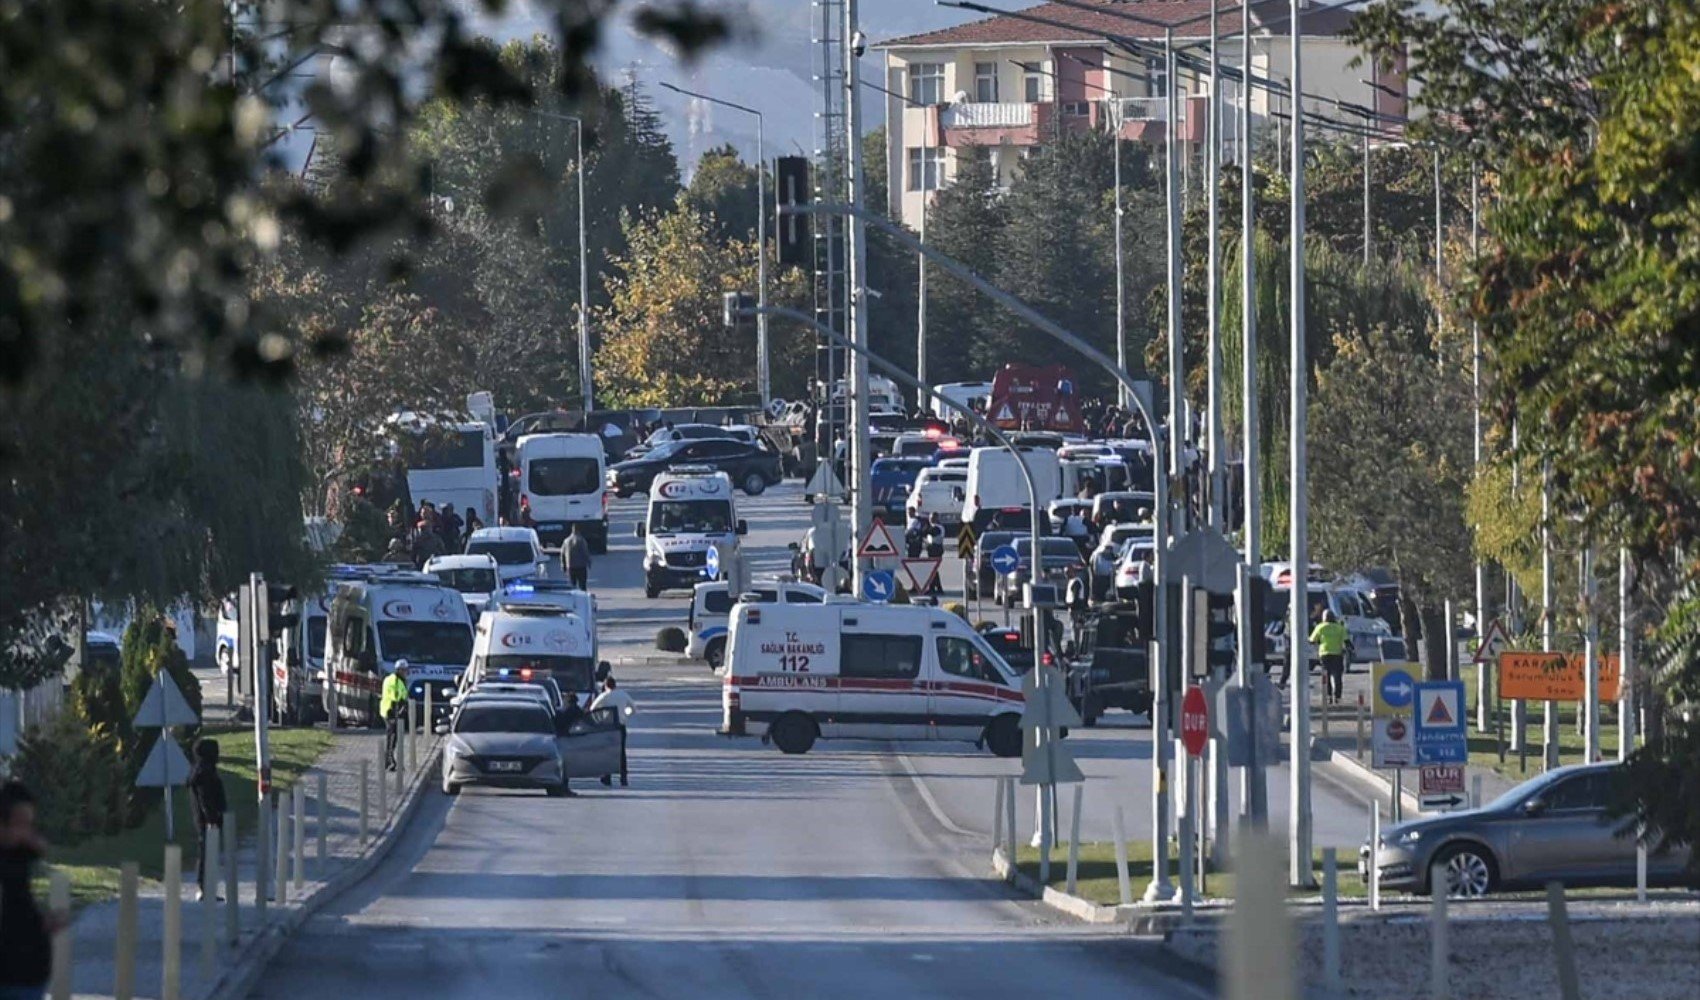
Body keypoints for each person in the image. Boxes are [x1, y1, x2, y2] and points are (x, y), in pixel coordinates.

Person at [0, 781, 59, 1000]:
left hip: (30, 974)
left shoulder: (18, 852)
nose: (26, 831)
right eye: (19, 823)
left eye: (29, 824)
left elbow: (40, 847)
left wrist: (41, 921)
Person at [187, 739, 227, 901]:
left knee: (208, 852)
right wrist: (212, 817)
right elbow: (205, 798)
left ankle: (207, 887)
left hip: (207, 819)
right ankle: (204, 888)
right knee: (207, 853)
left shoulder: (201, 771)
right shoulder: (204, 773)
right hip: (208, 820)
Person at [589, 677, 636, 787]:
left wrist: (600, 717)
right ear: (615, 685)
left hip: (608, 727)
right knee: (621, 752)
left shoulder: (605, 696)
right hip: (621, 726)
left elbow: (592, 709)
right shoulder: (623, 695)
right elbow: (633, 708)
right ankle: (623, 778)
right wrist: (625, 714)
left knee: (608, 751)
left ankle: (607, 776)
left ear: (606, 686)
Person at [1309, 611, 1349, 704]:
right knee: (1337, 676)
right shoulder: (1340, 628)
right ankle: (1337, 697)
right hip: (1337, 654)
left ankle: (1328, 696)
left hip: (1324, 654)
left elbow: (1312, 640)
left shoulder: (1320, 627)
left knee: (1326, 676)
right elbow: (1347, 641)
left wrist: (1318, 642)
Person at [381, 660, 409, 772]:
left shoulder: (394, 679)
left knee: (393, 737)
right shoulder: (395, 681)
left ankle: (389, 761)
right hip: (391, 711)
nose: (407, 672)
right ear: (400, 670)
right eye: (405, 670)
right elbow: (395, 697)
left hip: (389, 710)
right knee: (392, 737)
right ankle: (389, 762)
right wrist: (400, 708)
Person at [561, 524, 592, 591]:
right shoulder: (582, 540)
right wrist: (589, 562)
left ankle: (573, 598)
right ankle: (583, 597)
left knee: (572, 585)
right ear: (579, 531)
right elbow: (585, 552)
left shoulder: (566, 541)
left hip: (570, 566)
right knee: (582, 585)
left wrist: (563, 565)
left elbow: (562, 554)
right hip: (581, 566)